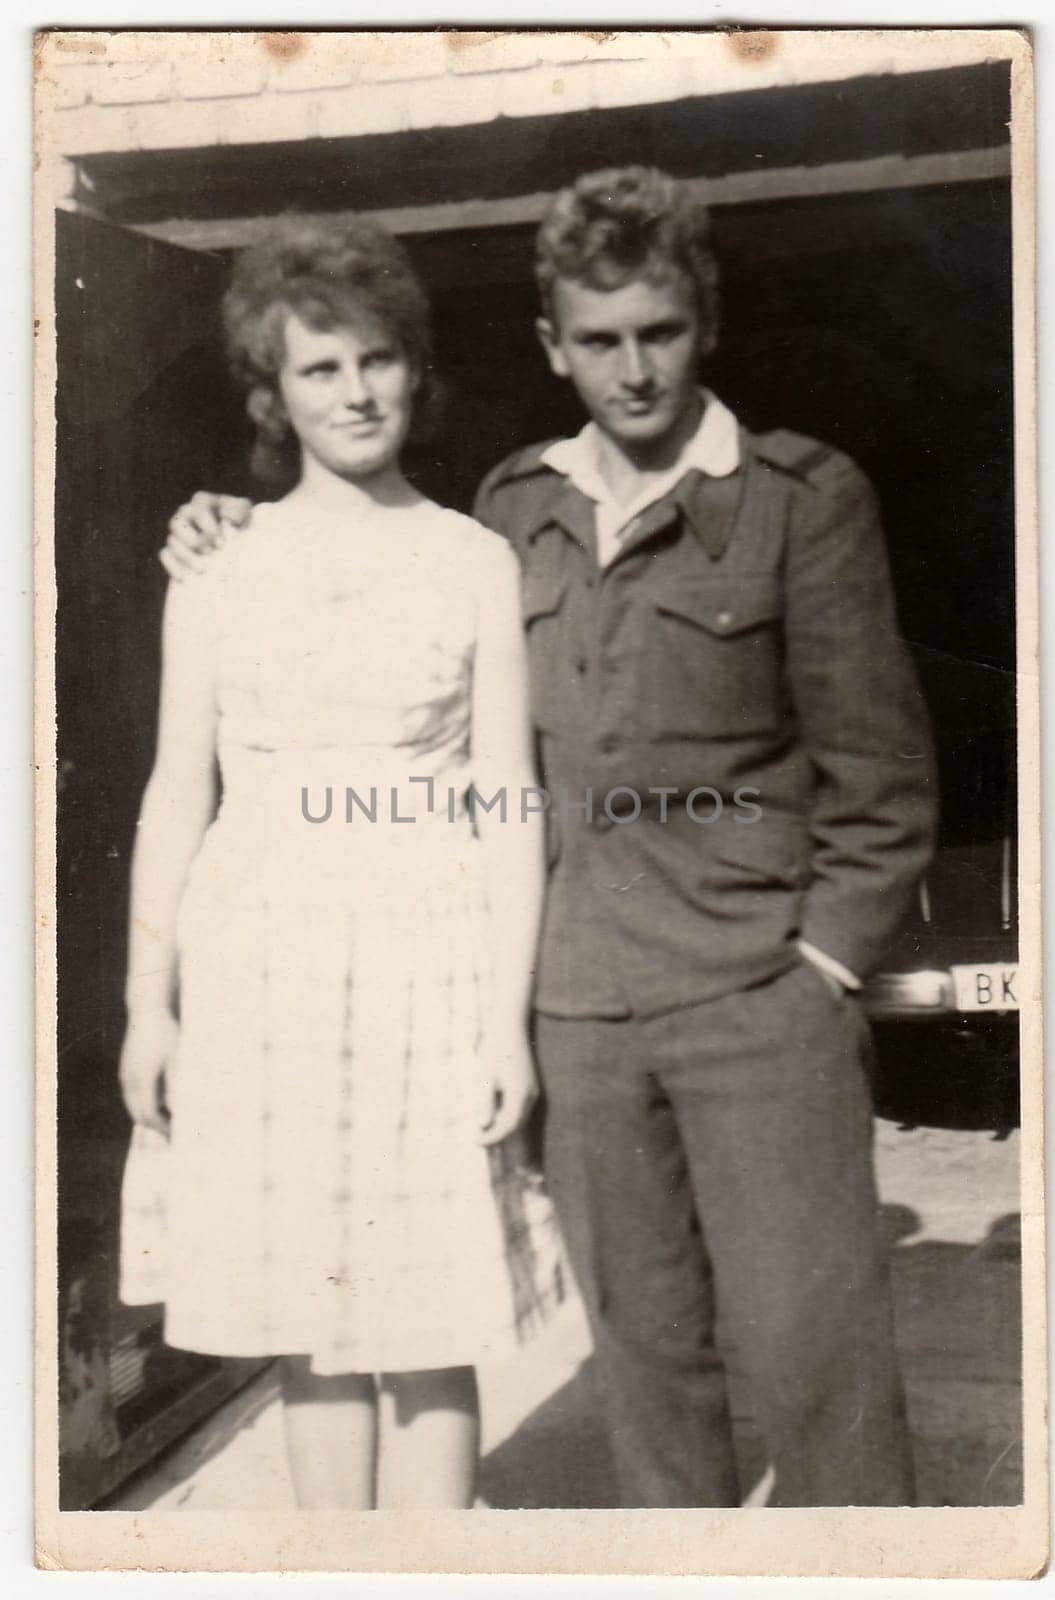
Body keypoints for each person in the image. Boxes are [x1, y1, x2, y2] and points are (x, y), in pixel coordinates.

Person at [163, 168, 938, 1508]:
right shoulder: (509, 511)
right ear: (551, 347)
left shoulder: (800, 501)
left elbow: (884, 779)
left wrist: (820, 969)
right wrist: (217, 518)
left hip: (758, 999)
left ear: (705, 323)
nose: (632, 370)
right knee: (647, 1376)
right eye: (599, 339)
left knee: (819, 1369)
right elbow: (364, 586)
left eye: (659, 332)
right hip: (574, 1010)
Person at [119, 214, 562, 1511]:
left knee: (425, 1322)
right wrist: (151, 1006)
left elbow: (510, 801)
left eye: (376, 361)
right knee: (307, 1315)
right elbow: (172, 794)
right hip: (260, 967)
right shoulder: (216, 564)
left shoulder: (473, 561)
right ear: (273, 392)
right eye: (319, 369)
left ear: (414, 372)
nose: (354, 392)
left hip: (426, 958)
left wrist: (505, 1025)